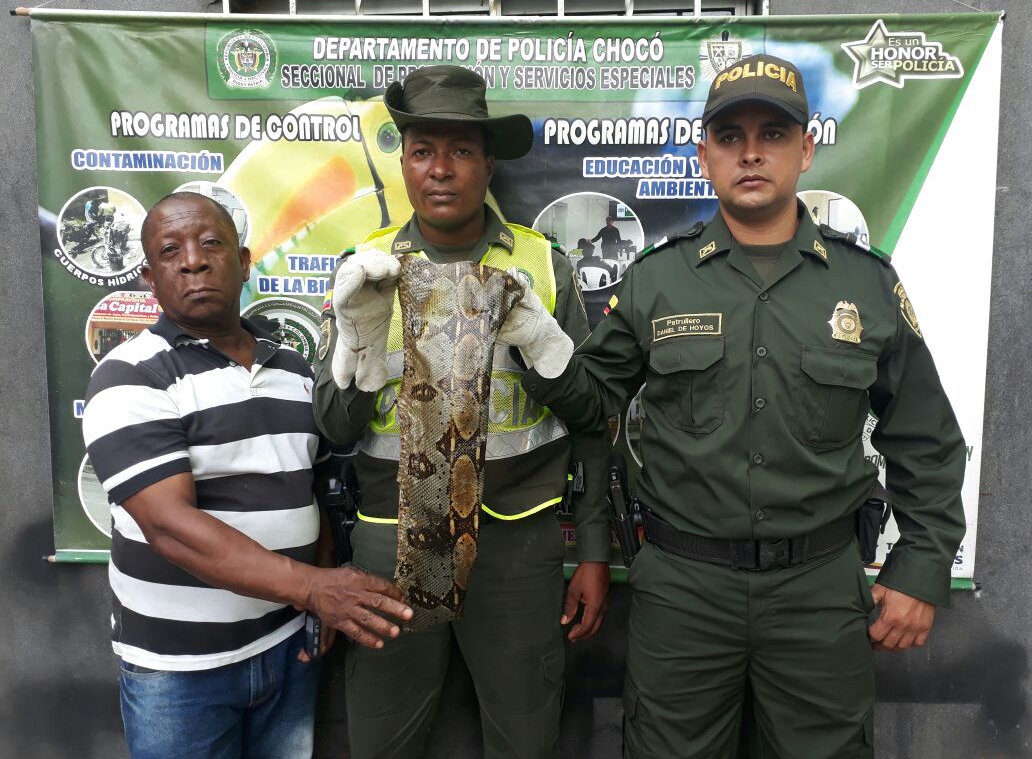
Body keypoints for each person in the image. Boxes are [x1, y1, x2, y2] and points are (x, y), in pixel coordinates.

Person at [515, 54, 967, 758]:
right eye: (729, 136)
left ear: (806, 147)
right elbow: (591, 401)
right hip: (685, 591)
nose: (751, 152)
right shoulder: (657, 282)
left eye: (773, 133)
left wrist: (922, 567)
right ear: (704, 156)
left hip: (819, 590)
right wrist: (534, 341)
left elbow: (927, 439)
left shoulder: (865, 285)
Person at [313, 65, 611, 759]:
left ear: (488, 163)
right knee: (383, 737)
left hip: (518, 544)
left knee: (525, 734)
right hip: (392, 541)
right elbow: (333, 427)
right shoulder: (365, 268)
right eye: (423, 151)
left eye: (461, 151)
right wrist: (357, 342)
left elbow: (595, 419)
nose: (440, 170)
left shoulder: (542, 265)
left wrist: (593, 552)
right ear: (404, 163)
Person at [82, 191, 412, 759]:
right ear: (149, 277)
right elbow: (170, 527)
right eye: (170, 251)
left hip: (288, 650)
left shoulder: (292, 368)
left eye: (211, 243)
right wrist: (315, 589)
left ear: (245, 260)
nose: (193, 260)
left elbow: (309, 490)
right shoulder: (130, 376)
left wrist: (318, 594)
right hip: (182, 674)